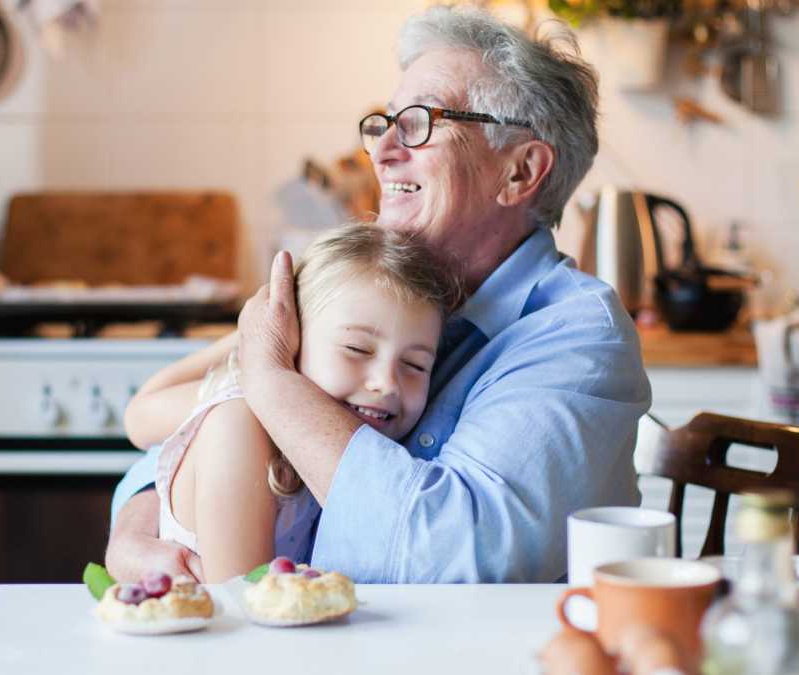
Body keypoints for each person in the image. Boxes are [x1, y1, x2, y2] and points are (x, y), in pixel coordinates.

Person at [107, 5, 651, 583]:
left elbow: (453, 562)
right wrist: (141, 524)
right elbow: (195, 436)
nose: (383, 149)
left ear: (519, 172)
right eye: (385, 121)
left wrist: (272, 383)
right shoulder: (370, 297)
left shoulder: (576, 337)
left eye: (421, 122)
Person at [122, 224, 459, 582]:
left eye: (415, 365)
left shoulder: (365, 447)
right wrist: (253, 337)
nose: (386, 383)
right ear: (293, 337)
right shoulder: (239, 420)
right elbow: (247, 603)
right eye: (357, 349)